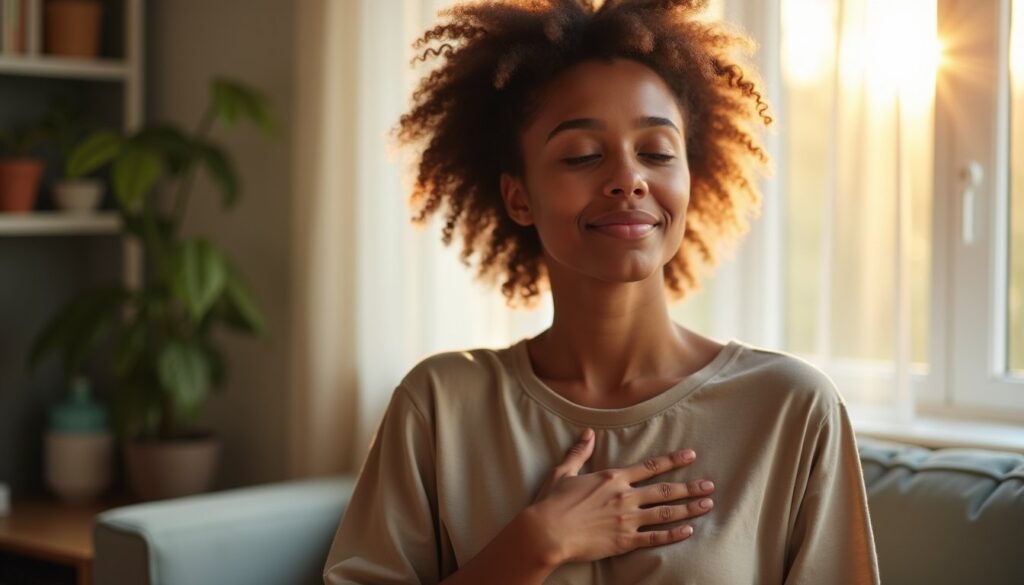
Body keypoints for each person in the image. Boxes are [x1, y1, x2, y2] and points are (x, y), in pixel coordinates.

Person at [324, 0, 880, 583]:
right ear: (519, 197)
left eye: (657, 153)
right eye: (582, 155)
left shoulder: (790, 409)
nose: (628, 179)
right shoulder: (438, 406)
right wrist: (535, 543)